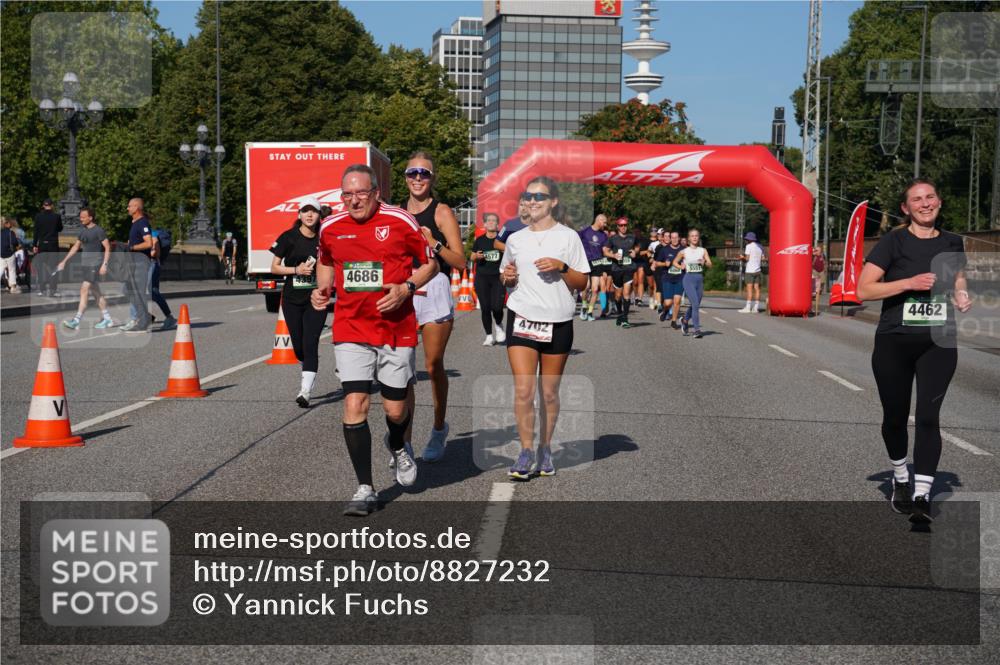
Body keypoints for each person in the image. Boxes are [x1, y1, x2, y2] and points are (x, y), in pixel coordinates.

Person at [312, 164, 438, 516]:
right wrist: (322, 290)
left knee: (395, 410)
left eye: (361, 194)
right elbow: (325, 261)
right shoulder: (330, 226)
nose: (354, 201)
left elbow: (431, 265)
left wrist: (406, 288)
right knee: (355, 403)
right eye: (347, 195)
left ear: (376, 193)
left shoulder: (400, 220)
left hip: (395, 327)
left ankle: (398, 445)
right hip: (351, 327)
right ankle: (365, 488)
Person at [857, 178, 971, 524]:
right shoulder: (893, 241)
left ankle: (922, 495)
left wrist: (961, 293)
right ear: (906, 208)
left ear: (939, 201)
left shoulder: (952, 242)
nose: (925, 204)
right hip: (894, 341)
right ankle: (900, 477)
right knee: (895, 418)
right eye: (917, 199)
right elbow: (864, 290)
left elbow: (958, 277)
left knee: (928, 417)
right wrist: (909, 283)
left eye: (930, 197)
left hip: (938, 341)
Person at [499, 176, 589, 479]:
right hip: (522, 316)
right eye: (529, 196)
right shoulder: (515, 239)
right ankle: (525, 451)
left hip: (558, 320)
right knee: (524, 390)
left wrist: (561, 267)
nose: (533, 201)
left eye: (540, 196)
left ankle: (545, 448)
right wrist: (508, 277)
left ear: (553, 201)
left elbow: (582, 282)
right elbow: (505, 276)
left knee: (548, 393)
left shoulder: (568, 237)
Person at [400, 152, 465, 463]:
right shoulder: (397, 213)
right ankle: (405, 441)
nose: (418, 178)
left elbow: (460, 261)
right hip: (404, 288)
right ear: (405, 177)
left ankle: (439, 429)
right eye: (412, 172)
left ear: (432, 178)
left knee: (432, 365)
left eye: (424, 173)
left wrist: (434, 244)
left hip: (435, 289)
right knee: (402, 367)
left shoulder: (441, 212)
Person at [271, 197, 327, 407]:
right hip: (292, 299)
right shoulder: (289, 237)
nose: (309, 215)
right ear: (299, 214)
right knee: (299, 348)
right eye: (305, 211)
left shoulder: (324, 237)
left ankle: (305, 391)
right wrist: (296, 270)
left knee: (310, 343)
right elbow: (274, 267)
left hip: (316, 299)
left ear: (319, 215)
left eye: (314, 211)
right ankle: (308, 369)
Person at [57, 208, 115, 329]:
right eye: (80, 216)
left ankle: (76, 320)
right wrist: (64, 261)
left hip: (95, 264)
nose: (81, 219)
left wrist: (104, 264)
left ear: (90, 217)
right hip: (85, 265)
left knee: (84, 289)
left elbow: (107, 247)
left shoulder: (98, 230)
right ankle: (108, 319)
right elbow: (76, 247)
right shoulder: (82, 231)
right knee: (96, 293)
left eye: (83, 217)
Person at [472, 212, 506, 345]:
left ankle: (499, 325)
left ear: (498, 225)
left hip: (498, 277)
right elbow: (472, 256)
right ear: (485, 224)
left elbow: (511, 254)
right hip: (482, 277)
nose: (491, 222)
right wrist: (477, 256)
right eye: (488, 220)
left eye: (494, 220)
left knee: (497, 307)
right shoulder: (479, 240)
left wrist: (504, 251)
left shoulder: (502, 241)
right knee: (485, 307)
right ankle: (489, 336)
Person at [121, 198, 153, 333]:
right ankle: (145, 316)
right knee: (126, 289)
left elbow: (149, 243)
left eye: (129, 206)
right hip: (133, 262)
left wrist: (132, 247)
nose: (127, 208)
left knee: (138, 292)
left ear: (136, 208)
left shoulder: (142, 223)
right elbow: (133, 243)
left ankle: (143, 322)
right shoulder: (135, 223)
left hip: (141, 262)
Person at [673, 228, 712, 339]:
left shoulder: (703, 250)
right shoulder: (684, 251)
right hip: (688, 279)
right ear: (689, 238)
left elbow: (710, 264)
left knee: (696, 304)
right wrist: (681, 266)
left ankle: (685, 320)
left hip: (699, 279)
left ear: (698, 238)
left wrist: (705, 262)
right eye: (692, 236)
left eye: (696, 236)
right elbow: (674, 262)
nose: (694, 237)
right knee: (695, 304)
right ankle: (696, 330)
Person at [604, 217, 639, 328]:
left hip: (629, 268)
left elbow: (637, 247)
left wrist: (635, 252)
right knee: (618, 295)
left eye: (625, 225)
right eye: (621, 225)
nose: (623, 227)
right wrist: (613, 255)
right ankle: (620, 314)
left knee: (626, 293)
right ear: (618, 226)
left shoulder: (632, 237)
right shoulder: (613, 238)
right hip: (617, 269)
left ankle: (625, 318)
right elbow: (605, 251)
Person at [578, 214, 610, 321]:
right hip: (585, 262)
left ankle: (590, 312)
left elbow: (605, 250)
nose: (605, 225)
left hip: (597, 262)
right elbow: (575, 241)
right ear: (599, 220)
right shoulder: (585, 231)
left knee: (595, 289)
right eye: (604, 222)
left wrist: (612, 255)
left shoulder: (604, 235)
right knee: (586, 287)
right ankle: (584, 306)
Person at [653, 230, 684, 328]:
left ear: (679, 238)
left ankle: (674, 321)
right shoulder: (664, 250)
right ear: (670, 239)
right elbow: (657, 263)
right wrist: (664, 264)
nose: (674, 239)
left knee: (677, 301)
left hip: (680, 278)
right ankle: (665, 311)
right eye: (672, 237)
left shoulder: (684, 250)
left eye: (676, 237)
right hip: (667, 279)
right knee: (668, 302)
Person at [32, 198, 63, 297]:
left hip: (42, 245)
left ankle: (42, 289)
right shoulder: (56, 216)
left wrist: (34, 245)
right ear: (52, 205)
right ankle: (53, 290)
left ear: (43, 206)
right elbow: (60, 228)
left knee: (41, 268)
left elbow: (36, 232)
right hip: (53, 245)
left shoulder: (38, 217)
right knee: (53, 268)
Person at [149, 230, 177, 330]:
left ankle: (169, 317)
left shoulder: (151, 233)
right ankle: (148, 316)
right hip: (147, 265)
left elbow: (155, 251)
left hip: (152, 264)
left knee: (152, 291)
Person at [739, 231, 765, 313]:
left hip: (750, 270)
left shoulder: (748, 246)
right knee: (757, 289)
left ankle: (748, 307)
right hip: (758, 270)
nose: (746, 240)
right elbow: (763, 258)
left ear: (749, 239)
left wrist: (742, 258)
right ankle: (756, 308)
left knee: (749, 289)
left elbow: (747, 258)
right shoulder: (760, 246)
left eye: (747, 239)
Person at [2, 217, 21, 293]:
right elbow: (15, 243)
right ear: (6, 224)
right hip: (9, 253)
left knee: (1, 270)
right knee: (11, 270)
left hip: (1, 254)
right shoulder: (11, 232)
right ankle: (13, 287)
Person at [812, 244, 827, 315]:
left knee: (823, 281)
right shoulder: (814, 256)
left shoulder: (822, 255)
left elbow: (825, 262)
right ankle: (815, 292)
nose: (816, 251)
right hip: (815, 270)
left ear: (820, 251)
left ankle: (819, 290)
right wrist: (813, 252)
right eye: (816, 250)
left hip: (821, 271)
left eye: (817, 250)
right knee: (814, 282)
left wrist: (825, 269)